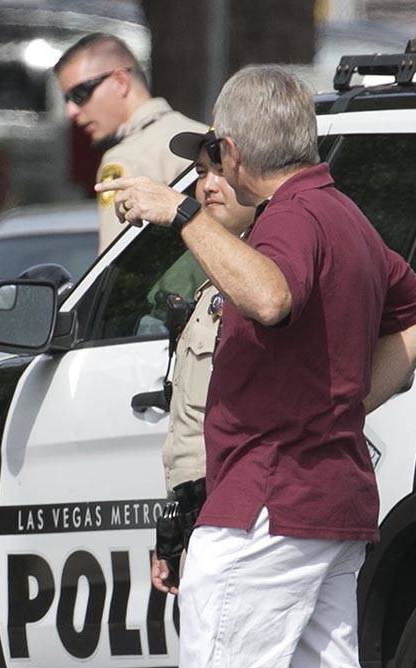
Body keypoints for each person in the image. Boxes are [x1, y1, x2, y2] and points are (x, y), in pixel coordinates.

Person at [99, 65, 416, 668]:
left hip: (268, 500)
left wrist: (180, 213)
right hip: (328, 496)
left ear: (231, 149)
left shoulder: (290, 217)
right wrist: (344, 400)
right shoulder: (342, 214)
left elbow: (270, 295)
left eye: (213, 155)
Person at [152, 129, 255, 596]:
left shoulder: (260, 275)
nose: (208, 186)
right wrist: (172, 527)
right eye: (200, 173)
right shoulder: (210, 277)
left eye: (220, 171)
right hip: (202, 518)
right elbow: (191, 420)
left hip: (239, 526)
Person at [53, 33, 205, 251]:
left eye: (79, 94)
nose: (71, 111)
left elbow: (117, 269)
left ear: (121, 81)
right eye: (66, 100)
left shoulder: (125, 159)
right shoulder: (203, 134)